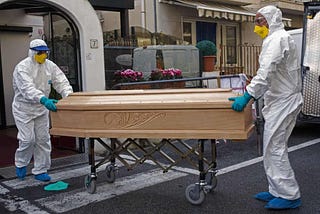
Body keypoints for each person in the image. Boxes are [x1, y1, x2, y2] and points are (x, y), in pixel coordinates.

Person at [228, 5, 303, 210]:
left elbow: (266, 72)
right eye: (256, 22)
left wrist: (248, 95)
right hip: (280, 100)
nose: (257, 26)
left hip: (284, 102)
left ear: (272, 20)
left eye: (260, 21)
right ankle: (276, 190)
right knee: (272, 148)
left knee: (275, 147)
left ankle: (289, 194)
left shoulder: (277, 39)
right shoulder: (276, 39)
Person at [12, 39, 73, 182]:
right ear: (32, 53)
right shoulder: (22, 67)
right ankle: (21, 163)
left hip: (41, 109)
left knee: (43, 139)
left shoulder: (49, 66)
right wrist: (43, 99)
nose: (43, 55)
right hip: (24, 109)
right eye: (39, 53)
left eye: (45, 53)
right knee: (27, 140)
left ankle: (41, 169)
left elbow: (61, 81)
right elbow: (27, 89)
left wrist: (69, 97)